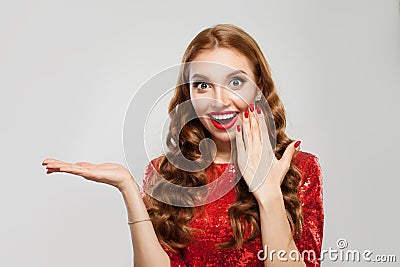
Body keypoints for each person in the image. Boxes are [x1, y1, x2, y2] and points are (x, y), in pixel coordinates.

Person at [42, 24, 324, 267]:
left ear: (259, 86)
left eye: (236, 81)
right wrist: (128, 187)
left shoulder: (299, 169)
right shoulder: (165, 174)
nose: (219, 100)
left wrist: (268, 194)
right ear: (188, 94)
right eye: (202, 85)